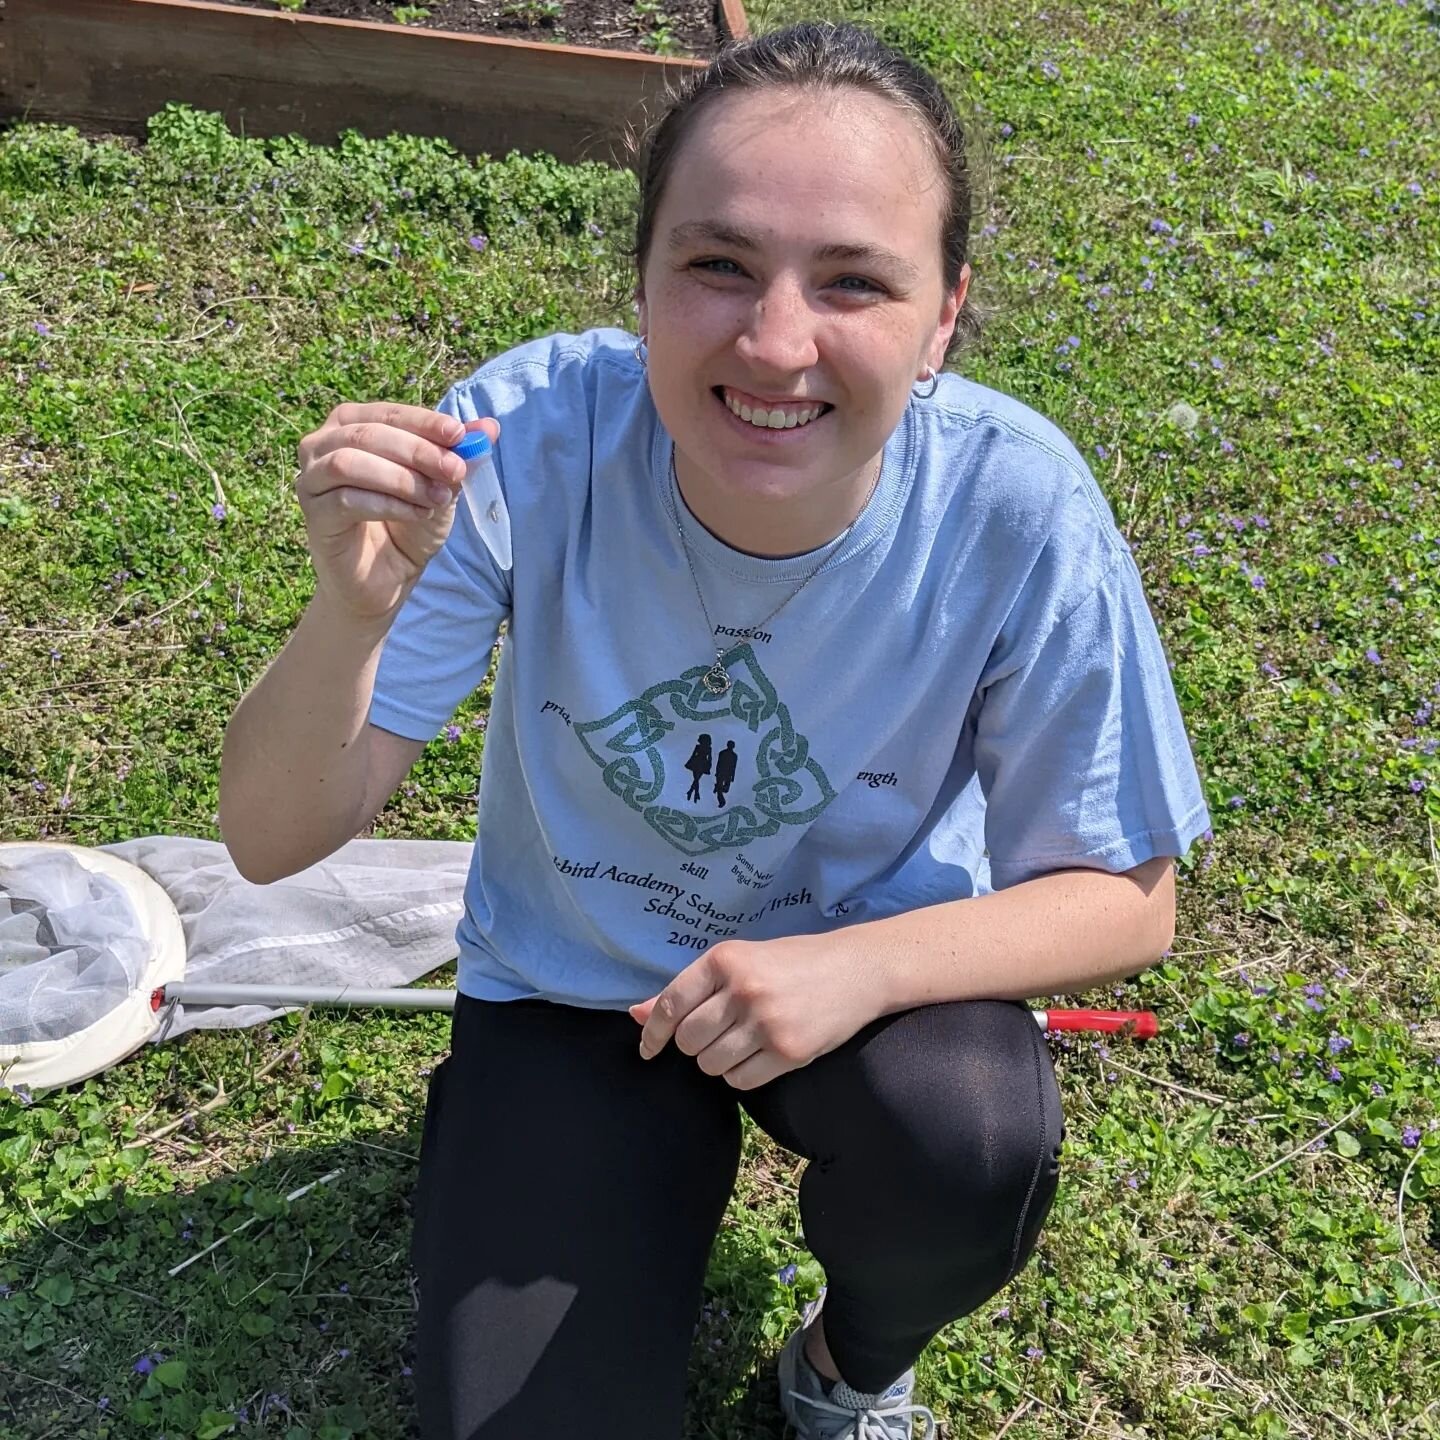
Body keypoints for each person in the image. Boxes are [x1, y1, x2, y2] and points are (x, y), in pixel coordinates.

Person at [218, 21, 1210, 1440]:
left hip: (872, 997)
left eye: (856, 282)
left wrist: (846, 969)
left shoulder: (1017, 507)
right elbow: (266, 841)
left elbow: (1129, 896)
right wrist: (348, 621)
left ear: (943, 318)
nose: (775, 341)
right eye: (717, 264)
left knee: (970, 1136)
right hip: (577, 996)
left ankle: (852, 1366)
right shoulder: (526, 442)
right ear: (641, 277)